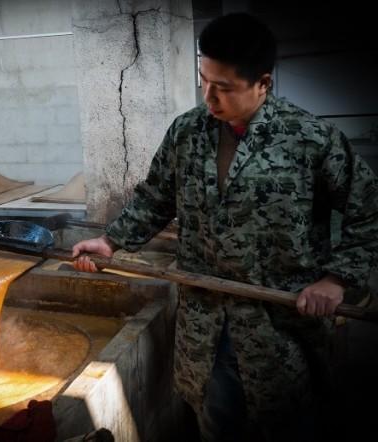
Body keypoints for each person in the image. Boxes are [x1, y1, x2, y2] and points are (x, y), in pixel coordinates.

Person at [71, 12, 378, 442]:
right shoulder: (187, 132)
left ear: (263, 83)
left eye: (224, 87)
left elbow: (369, 209)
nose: (209, 97)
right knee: (217, 424)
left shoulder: (310, 139)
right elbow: (156, 196)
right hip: (205, 326)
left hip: (278, 330)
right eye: (204, 80)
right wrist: (111, 240)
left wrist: (336, 280)